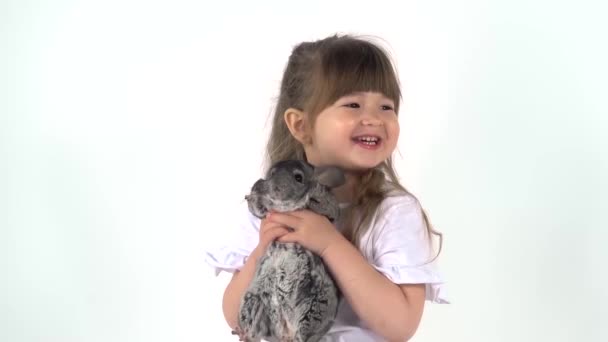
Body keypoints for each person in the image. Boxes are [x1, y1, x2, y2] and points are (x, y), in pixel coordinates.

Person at [204, 33, 448, 341]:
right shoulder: (269, 207)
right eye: (353, 104)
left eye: (386, 107)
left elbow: (400, 325)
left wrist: (329, 244)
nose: (373, 118)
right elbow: (235, 315)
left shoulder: (394, 212)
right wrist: (262, 250)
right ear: (301, 125)